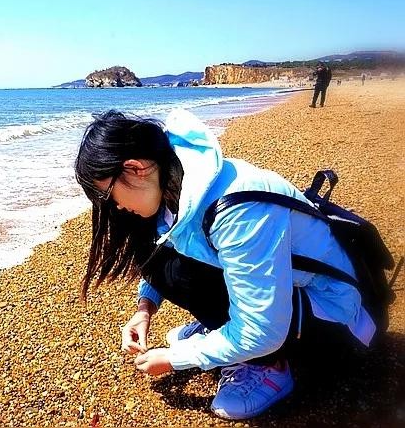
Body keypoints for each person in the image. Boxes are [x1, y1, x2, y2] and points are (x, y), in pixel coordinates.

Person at [74, 109, 376, 420]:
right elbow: (165, 249)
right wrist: (145, 308)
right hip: (292, 295)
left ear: (135, 168)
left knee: (180, 273)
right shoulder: (177, 180)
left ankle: (269, 367)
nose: (116, 207)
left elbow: (262, 330)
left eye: (108, 196)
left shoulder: (235, 209)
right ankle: (224, 329)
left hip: (334, 318)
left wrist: (178, 357)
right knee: (161, 259)